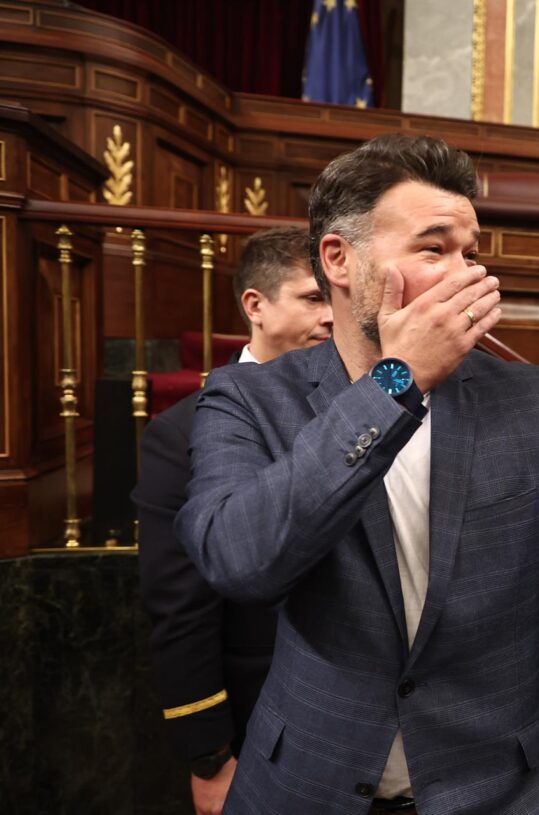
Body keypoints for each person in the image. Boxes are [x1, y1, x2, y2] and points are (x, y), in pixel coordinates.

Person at [174, 134, 539, 814]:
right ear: (339, 259)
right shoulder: (247, 399)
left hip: (500, 791)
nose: (464, 274)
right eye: (432, 248)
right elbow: (241, 560)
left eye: (470, 252)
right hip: (308, 787)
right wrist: (397, 381)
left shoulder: (536, 404)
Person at [134, 226, 332, 815]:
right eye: (312, 298)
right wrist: (211, 757)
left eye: (335, 299)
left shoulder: (365, 409)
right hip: (260, 721)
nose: (330, 317)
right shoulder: (182, 433)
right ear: (256, 306)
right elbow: (181, 609)